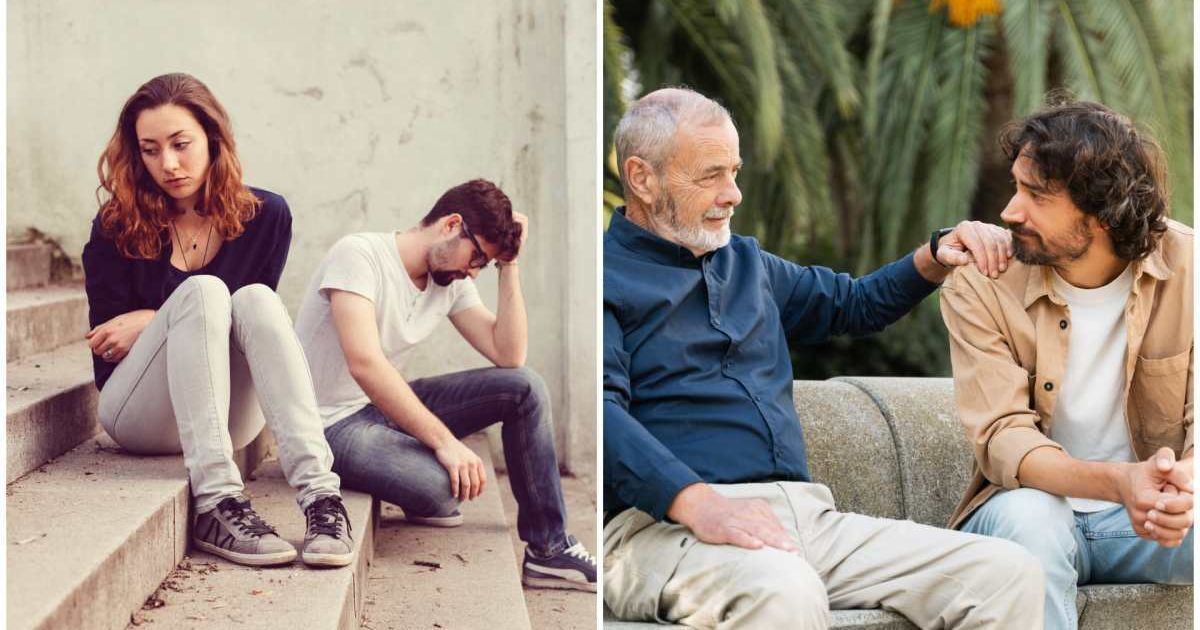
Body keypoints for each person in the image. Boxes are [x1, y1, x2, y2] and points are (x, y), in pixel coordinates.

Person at [603, 87, 1045, 629]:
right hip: (661, 530)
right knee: (782, 590)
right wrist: (697, 503)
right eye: (710, 175)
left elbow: (853, 305)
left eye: (735, 171)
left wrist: (936, 255)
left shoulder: (749, 264)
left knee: (1007, 572)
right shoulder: (601, 278)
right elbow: (602, 415)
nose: (733, 193)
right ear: (642, 178)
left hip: (804, 519)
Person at [941, 100, 1194, 630]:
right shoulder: (982, 281)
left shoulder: (1189, 267)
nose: (1010, 211)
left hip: (1144, 522)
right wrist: (1123, 482)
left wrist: (1182, 484)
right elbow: (1005, 438)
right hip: (1019, 514)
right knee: (1036, 516)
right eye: (1017, 187)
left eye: (1036, 195)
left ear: (1100, 213)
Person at [83, 73, 352, 568]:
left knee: (256, 300)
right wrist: (172, 314)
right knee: (206, 291)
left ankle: (321, 498)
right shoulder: (117, 226)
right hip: (138, 412)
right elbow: (108, 348)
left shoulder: (266, 216)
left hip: (228, 414)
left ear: (212, 138)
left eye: (181, 144)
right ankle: (216, 502)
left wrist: (150, 318)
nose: (167, 163)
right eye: (149, 149)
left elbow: (250, 332)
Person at [294, 178, 596, 591]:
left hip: (380, 409)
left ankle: (549, 550)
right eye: (477, 258)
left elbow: (509, 356)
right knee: (441, 489)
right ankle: (396, 466)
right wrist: (444, 442)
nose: (472, 272)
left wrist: (509, 265)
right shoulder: (359, 254)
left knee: (524, 386)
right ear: (452, 224)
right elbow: (365, 364)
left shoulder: (449, 282)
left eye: (483, 265)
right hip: (330, 425)